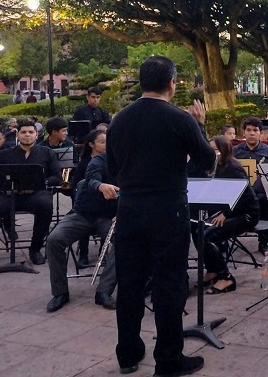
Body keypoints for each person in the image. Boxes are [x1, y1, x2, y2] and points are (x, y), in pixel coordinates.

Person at [107, 56, 215, 377]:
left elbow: (113, 169)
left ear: (141, 82)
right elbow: (207, 161)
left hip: (129, 210)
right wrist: (201, 125)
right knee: (169, 285)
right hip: (168, 211)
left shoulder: (118, 120)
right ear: (172, 83)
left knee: (129, 285)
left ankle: (128, 354)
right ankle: (168, 360)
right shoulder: (180, 119)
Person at [0, 119, 60, 270]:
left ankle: (35, 249)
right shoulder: (5, 154)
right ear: (17, 134)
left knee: (45, 205)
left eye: (30, 132)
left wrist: (39, 183)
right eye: (23, 132)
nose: (27, 135)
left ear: (36, 135)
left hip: (35, 194)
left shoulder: (47, 153)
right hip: (8, 195)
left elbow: (56, 177)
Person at [45, 130, 118, 312]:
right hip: (82, 214)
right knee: (54, 240)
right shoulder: (98, 160)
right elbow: (91, 179)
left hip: (109, 217)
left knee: (124, 242)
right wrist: (101, 186)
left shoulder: (132, 163)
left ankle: (104, 291)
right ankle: (60, 293)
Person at [195, 136, 259, 294]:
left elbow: (244, 197)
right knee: (198, 230)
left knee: (207, 236)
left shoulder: (233, 168)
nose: (212, 153)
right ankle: (213, 270)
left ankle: (226, 277)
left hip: (247, 214)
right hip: (229, 212)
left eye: (215, 150)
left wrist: (225, 214)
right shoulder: (216, 167)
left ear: (223, 151)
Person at [233, 117, 268, 254]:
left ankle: (264, 240)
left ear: (261, 133)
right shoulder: (236, 151)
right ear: (243, 133)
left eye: (255, 130)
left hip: (261, 193)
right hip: (240, 193)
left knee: (267, 199)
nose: (252, 133)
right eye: (248, 130)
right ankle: (224, 239)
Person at [70, 129, 107, 268]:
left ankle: (103, 252)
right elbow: (75, 186)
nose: (106, 145)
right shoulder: (84, 163)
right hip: (87, 202)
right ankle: (83, 253)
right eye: (102, 142)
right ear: (91, 144)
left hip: (105, 202)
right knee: (83, 218)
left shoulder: (111, 161)